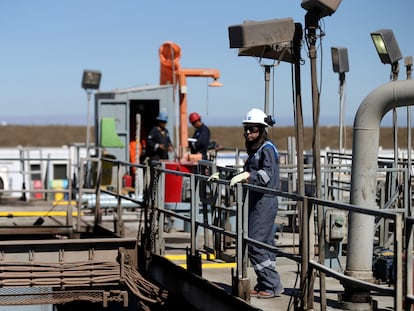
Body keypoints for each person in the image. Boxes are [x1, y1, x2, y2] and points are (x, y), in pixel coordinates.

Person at [230, 108, 283, 299]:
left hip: (264, 201)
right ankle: (265, 283)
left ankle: (271, 284)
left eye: (252, 129)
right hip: (256, 200)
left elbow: (265, 175)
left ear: (261, 130)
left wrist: (247, 178)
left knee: (254, 243)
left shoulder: (267, 149)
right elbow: (251, 171)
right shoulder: (257, 150)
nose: (248, 133)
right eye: (246, 129)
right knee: (265, 243)